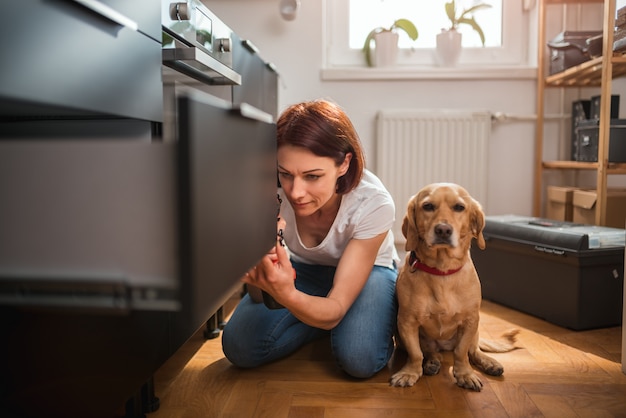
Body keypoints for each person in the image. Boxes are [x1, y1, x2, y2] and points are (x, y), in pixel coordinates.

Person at [221, 99, 400, 379]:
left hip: (370, 272)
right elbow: (259, 295)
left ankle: (331, 319)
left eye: (313, 176)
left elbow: (338, 304)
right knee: (239, 347)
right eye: (285, 174)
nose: (296, 193)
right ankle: (319, 318)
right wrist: (263, 266)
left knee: (359, 359)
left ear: (344, 163)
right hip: (306, 268)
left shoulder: (373, 203)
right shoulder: (266, 193)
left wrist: (290, 296)